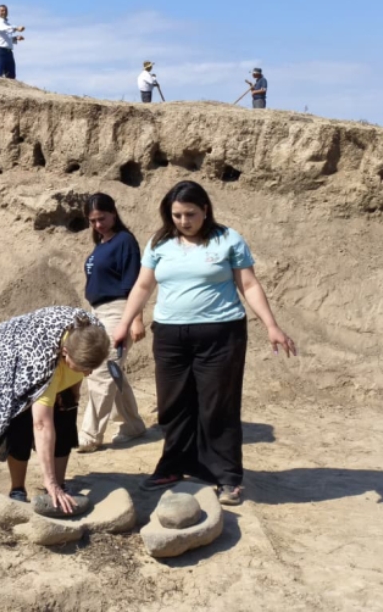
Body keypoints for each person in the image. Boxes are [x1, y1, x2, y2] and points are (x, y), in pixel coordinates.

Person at [110, 181, 296, 505]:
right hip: (170, 337)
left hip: (221, 335)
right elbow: (142, 286)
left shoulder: (228, 239)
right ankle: (173, 466)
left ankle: (226, 476)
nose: (184, 221)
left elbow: (249, 284)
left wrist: (272, 326)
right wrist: (124, 324)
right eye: (177, 215)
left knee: (217, 406)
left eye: (190, 214)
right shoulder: (160, 242)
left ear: (205, 210)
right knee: (173, 404)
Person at [0, 307, 109, 514]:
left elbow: (84, 365)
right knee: (20, 424)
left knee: (65, 417)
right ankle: (18, 489)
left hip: (49, 351)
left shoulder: (95, 335)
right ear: (65, 354)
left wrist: (74, 389)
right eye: (83, 368)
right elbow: (41, 425)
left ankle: (59, 483)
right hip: (6, 355)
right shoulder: (41, 363)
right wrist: (50, 482)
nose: (88, 373)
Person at [77, 193, 147, 452]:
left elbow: (135, 282)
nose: (98, 225)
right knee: (113, 372)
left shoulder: (124, 241)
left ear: (113, 213)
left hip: (120, 311)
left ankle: (89, 435)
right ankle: (133, 425)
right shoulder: (101, 245)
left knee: (101, 371)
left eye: (102, 218)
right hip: (97, 313)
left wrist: (136, 319)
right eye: (92, 221)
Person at [0, 4, 25, 79]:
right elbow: (4, 29)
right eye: (2, 10)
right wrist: (16, 28)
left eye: (5, 10)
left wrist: (16, 38)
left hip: (9, 52)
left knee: (11, 75)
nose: (4, 12)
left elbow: (7, 38)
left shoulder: (8, 24)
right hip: (0, 51)